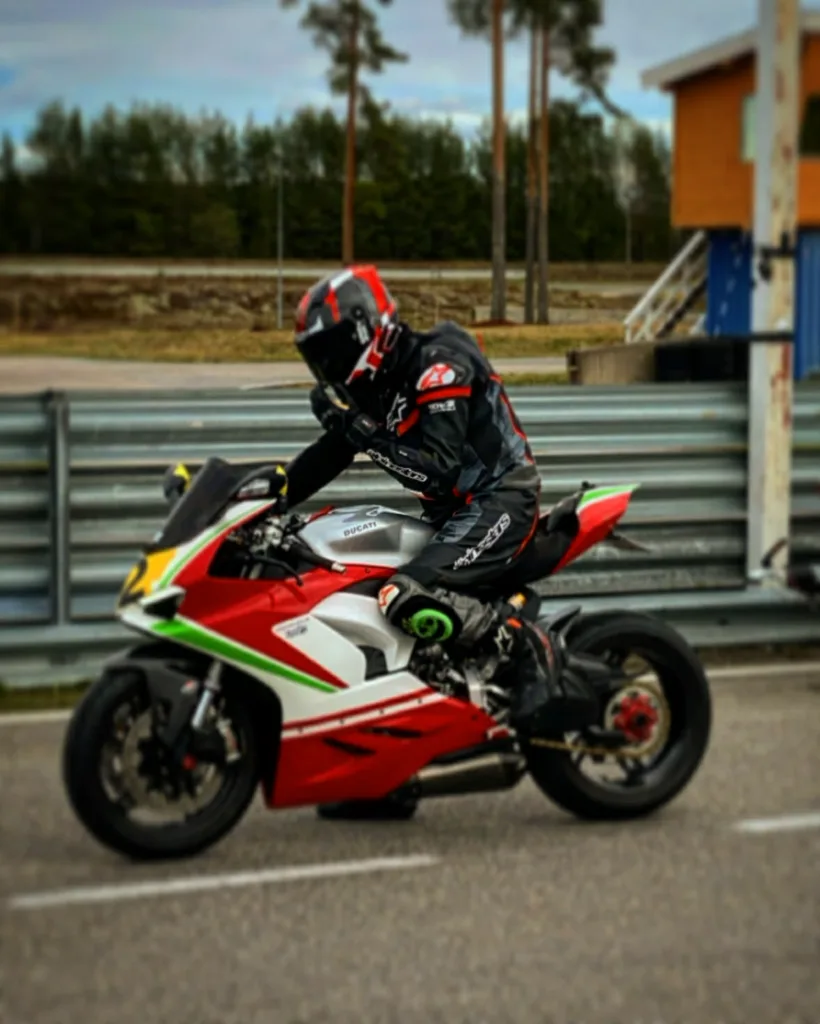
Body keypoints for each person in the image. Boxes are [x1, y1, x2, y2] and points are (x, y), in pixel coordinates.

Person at [207, 265, 597, 818]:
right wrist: (269, 497)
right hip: (451, 516)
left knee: (404, 594)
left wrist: (358, 430)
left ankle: (529, 643)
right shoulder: (374, 387)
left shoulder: (439, 364)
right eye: (317, 356)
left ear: (368, 329)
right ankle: (386, 774)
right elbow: (327, 457)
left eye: (333, 350)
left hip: (500, 501)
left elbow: (438, 469)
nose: (327, 366)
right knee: (363, 596)